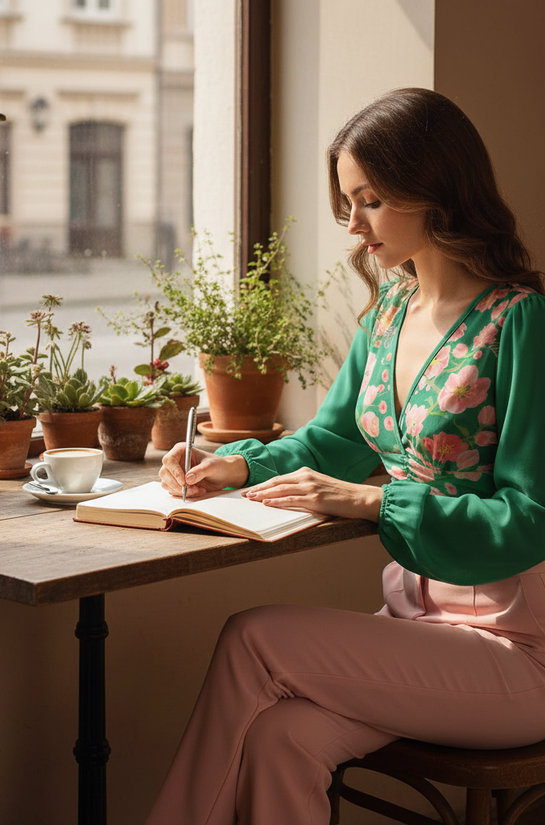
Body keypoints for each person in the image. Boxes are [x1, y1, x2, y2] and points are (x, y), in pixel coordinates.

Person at [146, 88, 545, 825]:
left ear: (435, 191)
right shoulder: (388, 313)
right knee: (279, 737)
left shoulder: (521, 323)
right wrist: (236, 463)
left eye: (370, 201)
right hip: (417, 626)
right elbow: (333, 441)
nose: (354, 226)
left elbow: (528, 518)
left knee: (252, 636)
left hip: (519, 649)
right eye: (347, 202)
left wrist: (371, 499)